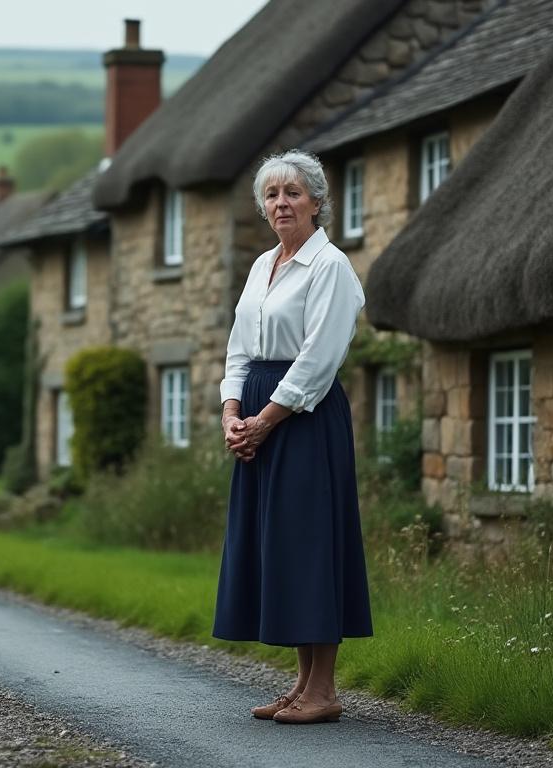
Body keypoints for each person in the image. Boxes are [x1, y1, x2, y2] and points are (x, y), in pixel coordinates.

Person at [212, 150, 372, 725]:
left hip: (302, 419)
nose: (282, 203)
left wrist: (265, 420)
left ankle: (324, 691)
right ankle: (302, 684)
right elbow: (239, 349)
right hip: (258, 413)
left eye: (293, 193)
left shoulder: (331, 267)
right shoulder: (262, 266)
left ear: (317, 202)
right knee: (278, 544)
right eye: (273, 194)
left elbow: (317, 360)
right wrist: (232, 412)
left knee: (308, 543)